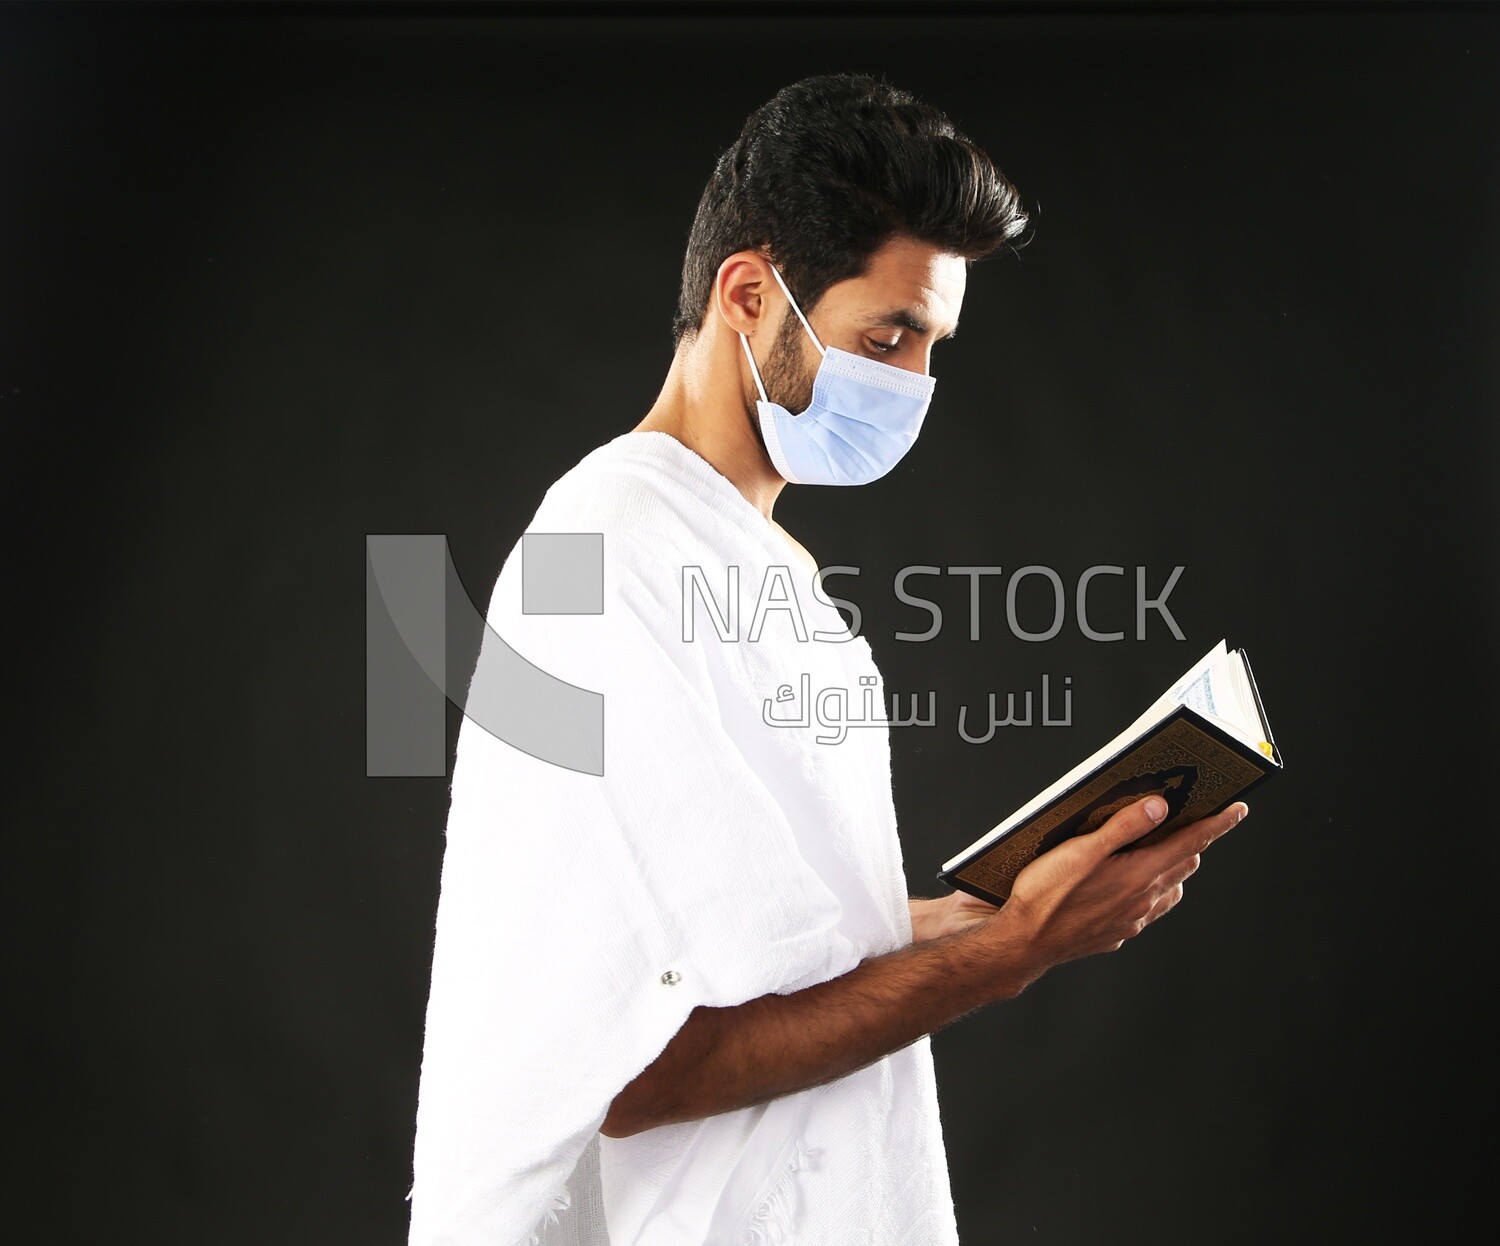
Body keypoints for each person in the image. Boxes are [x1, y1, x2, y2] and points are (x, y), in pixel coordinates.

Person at [404, 72, 1247, 1246]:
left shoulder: (769, 566)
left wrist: (980, 908)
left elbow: (772, 946)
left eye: (934, 346)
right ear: (748, 293)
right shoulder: (599, 558)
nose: (913, 386)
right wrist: (1010, 951)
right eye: (887, 336)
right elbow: (628, 1070)